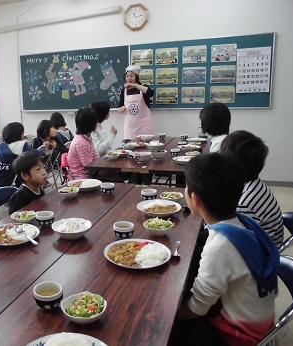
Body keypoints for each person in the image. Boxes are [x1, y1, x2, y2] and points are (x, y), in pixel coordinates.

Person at [171, 153, 279, 346]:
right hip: (261, 322)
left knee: (166, 331)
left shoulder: (220, 247)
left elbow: (198, 308)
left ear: (195, 199)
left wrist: (171, 319)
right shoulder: (245, 223)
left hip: (241, 336)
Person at [221, 130, 284, 247]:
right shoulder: (252, 183)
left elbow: (231, 243)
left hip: (260, 257)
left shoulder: (245, 202)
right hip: (261, 245)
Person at [0, 122, 45, 188]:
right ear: (18, 135)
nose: (24, 134)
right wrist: (43, 148)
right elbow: (37, 154)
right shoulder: (21, 145)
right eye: (23, 133)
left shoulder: (1, 145)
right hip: (14, 181)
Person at [117, 65, 154, 140]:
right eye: (127, 76)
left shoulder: (143, 87)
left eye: (131, 76)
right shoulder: (124, 90)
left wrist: (135, 86)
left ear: (136, 77)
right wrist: (121, 109)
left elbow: (151, 93)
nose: (129, 78)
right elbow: (119, 107)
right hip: (130, 128)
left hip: (144, 128)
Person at [67, 107, 100, 179]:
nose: (97, 123)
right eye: (96, 121)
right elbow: (89, 166)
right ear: (91, 123)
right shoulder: (80, 142)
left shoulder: (87, 137)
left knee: (112, 174)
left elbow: (96, 157)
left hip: (89, 173)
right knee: (112, 175)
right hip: (82, 178)